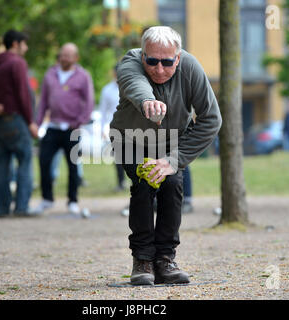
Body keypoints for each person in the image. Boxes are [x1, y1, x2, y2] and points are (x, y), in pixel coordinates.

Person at [109, 26, 222, 285]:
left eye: (167, 62)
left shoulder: (191, 68)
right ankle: (143, 260)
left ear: (178, 58)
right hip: (130, 140)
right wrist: (147, 100)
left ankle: (165, 259)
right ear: (143, 56)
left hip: (170, 144)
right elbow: (133, 81)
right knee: (145, 181)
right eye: (152, 61)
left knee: (171, 184)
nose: (159, 69)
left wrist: (174, 160)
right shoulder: (131, 61)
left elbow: (211, 119)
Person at [0, 30, 39, 218]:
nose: (27, 48)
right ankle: (21, 206)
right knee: (24, 161)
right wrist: (30, 121)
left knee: (0, 165)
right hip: (16, 120)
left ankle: (2, 208)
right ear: (15, 43)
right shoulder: (17, 63)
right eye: (24, 43)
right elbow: (23, 95)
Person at [34, 43, 94, 215]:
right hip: (53, 126)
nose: (64, 58)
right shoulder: (50, 74)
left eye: (68, 55)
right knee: (44, 160)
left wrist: (81, 120)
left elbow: (89, 101)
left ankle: (72, 200)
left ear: (76, 58)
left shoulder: (82, 76)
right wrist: (37, 124)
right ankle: (46, 199)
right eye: (62, 54)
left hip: (72, 128)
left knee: (73, 166)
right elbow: (44, 101)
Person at [99, 64, 126, 192]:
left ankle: (138, 181)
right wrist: (102, 129)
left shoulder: (130, 87)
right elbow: (103, 112)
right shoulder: (107, 90)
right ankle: (121, 182)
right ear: (114, 73)